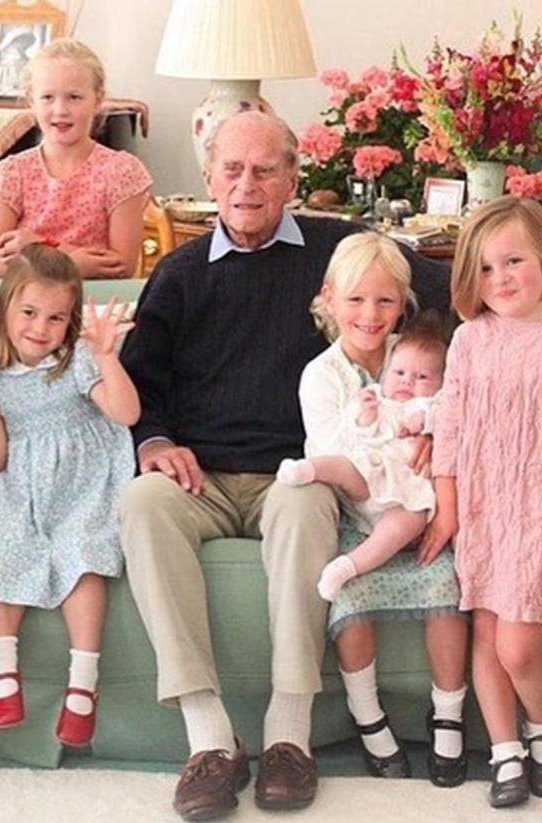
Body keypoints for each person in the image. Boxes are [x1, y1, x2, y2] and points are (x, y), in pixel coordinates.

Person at [118, 111, 451, 820]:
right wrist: (152, 441)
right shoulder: (178, 274)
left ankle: (288, 735)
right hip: (196, 477)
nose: (247, 184)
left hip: (291, 474)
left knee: (305, 503)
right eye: (232, 169)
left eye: (266, 169)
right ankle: (208, 737)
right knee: (140, 504)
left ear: (294, 179)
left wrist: (444, 401)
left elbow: (448, 292)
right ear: (208, 178)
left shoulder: (338, 251)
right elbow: (138, 381)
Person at [0, 243, 138, 747]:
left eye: (56, 318)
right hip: (20, 481)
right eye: (30, 313)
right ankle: (4, 672)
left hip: (85, 481)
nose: (41, 328)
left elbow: (125, 414)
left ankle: (84, 684)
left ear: (71, 322)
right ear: (6, 310)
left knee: (82, 555)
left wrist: (105, 355)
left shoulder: (77, 358)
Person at [281, 232, 467, 789]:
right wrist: (368, 419)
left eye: (386, 302)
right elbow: (328, 450)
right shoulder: (324, 375)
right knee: (350, 602)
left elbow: (450, 411)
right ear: (330, 300)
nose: (371, 315)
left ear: (403, 305)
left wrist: (435, 440)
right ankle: (370, 721)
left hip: (416, 507)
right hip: (358, 513)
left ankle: (449, 717)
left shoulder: (415, 356)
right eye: (357, 300)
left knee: (446, 591)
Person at [425, 196, 542, 808]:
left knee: (521, 645)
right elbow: (450, 425)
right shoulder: (471, 339)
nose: (501, 279)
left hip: (536, 511)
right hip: (483, 506)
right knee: (489, 633)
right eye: (487, 269)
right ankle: (506, 753)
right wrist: (448, 506)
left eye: (515, 260)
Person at [279, 307, 448, 602]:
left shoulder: (433, 405)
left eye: (421, 376)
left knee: (402, 526)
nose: (408, 382)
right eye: (399, 373)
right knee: (344, 467)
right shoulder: (377, 398)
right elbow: (357, 436)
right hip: (369, 475)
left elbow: (452, 421)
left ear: (439, 384)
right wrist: (366, 415)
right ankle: (306, 470)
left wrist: (429, 427)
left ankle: (347, 567)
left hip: (408, 495)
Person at [0, 38, 152, 279]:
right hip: (30, 310)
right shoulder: (13, 172)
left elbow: (122, 265)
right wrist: (72, 263)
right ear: (31, 100)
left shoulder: (121, 172)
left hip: (96, 307)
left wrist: (40, 247)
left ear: (98, 99)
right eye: (48, 97)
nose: (60, 110)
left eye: (74, 97)